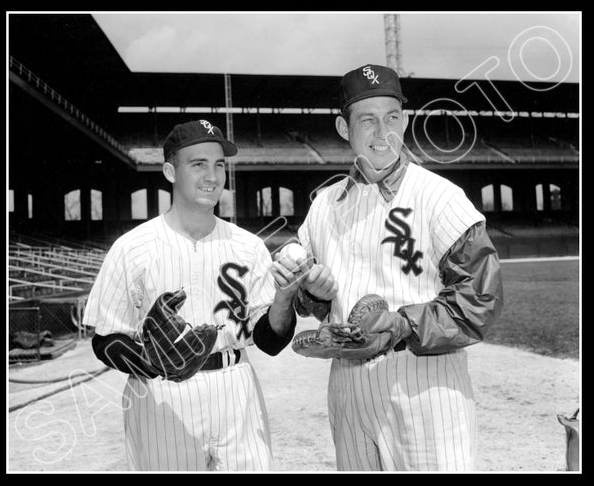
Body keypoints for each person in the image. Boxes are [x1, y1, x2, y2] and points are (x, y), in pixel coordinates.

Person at [292, 64, 503, 471]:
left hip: (424, 387)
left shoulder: (441, 197)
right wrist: (311, 295)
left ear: (405, 121)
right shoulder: (323, 206)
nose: (382, 132)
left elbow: (481, 298)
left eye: (392, 118)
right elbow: (311, 302)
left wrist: (403, 324)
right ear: (343, 127)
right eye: (367, 120)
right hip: (349, 390)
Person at [84, 120, 301, 471]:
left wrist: (284, 298)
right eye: (198, 164)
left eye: (219, 165)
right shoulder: (132, 248)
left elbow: (269, 340)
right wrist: (151, 361)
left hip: (236, 388)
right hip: (163, 397)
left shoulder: (249, 247)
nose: (212, 176)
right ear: (170, 170)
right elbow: (105, 339)